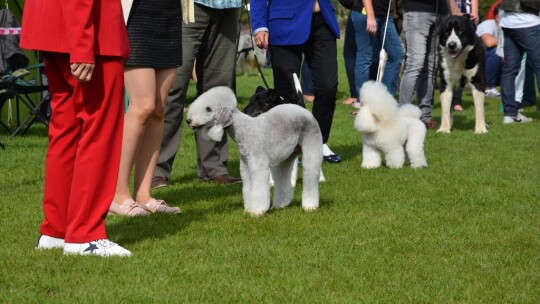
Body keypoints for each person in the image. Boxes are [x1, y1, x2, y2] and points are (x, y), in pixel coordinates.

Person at [21, 0, 132, 255]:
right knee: (99, 131)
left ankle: (56, 230)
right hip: (90, 33)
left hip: (56, 27)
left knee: (65, 131)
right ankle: (85, 233)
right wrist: (82, 45)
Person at [152, 0, 242, 189]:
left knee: (218, 93)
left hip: (229, 6)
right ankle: (156, 169)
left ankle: (213, 167)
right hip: (190, 5)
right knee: (173, 88)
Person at [110, 0, 183, 216]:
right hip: (136, 15)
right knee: (143, 106)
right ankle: (118, 194)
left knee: (159, 109)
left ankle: (144, 195)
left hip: (169, 14)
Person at [250, 0, 342, 163]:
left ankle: (318, 142)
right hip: (284, 22)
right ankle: (292, 147)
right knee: (288, 94)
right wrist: (259, 26)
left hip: (323, 21)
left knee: (328, 86)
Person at [399, 0, 461, 129]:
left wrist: (453, 9)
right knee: (415, 63)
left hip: (441, 12)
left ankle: (425, 116)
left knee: (431, 65)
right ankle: (403, 116)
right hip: (417, 11)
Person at [350, 0, 404, 98]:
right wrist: (370, 16)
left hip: (385, 15)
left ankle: (386, 99)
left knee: (396, 54)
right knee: (365, 57)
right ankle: (363, 103)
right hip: (366, 14)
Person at [499, 0, 539, 124]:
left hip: (508, 21)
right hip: (528, 21)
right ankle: (510, 114)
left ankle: (510, 114)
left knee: (509, 70)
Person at [450, 0, 479, 112]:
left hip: (467, 16)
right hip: (449, 13)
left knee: (462, 61)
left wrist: (475, 11)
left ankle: (457, 101)